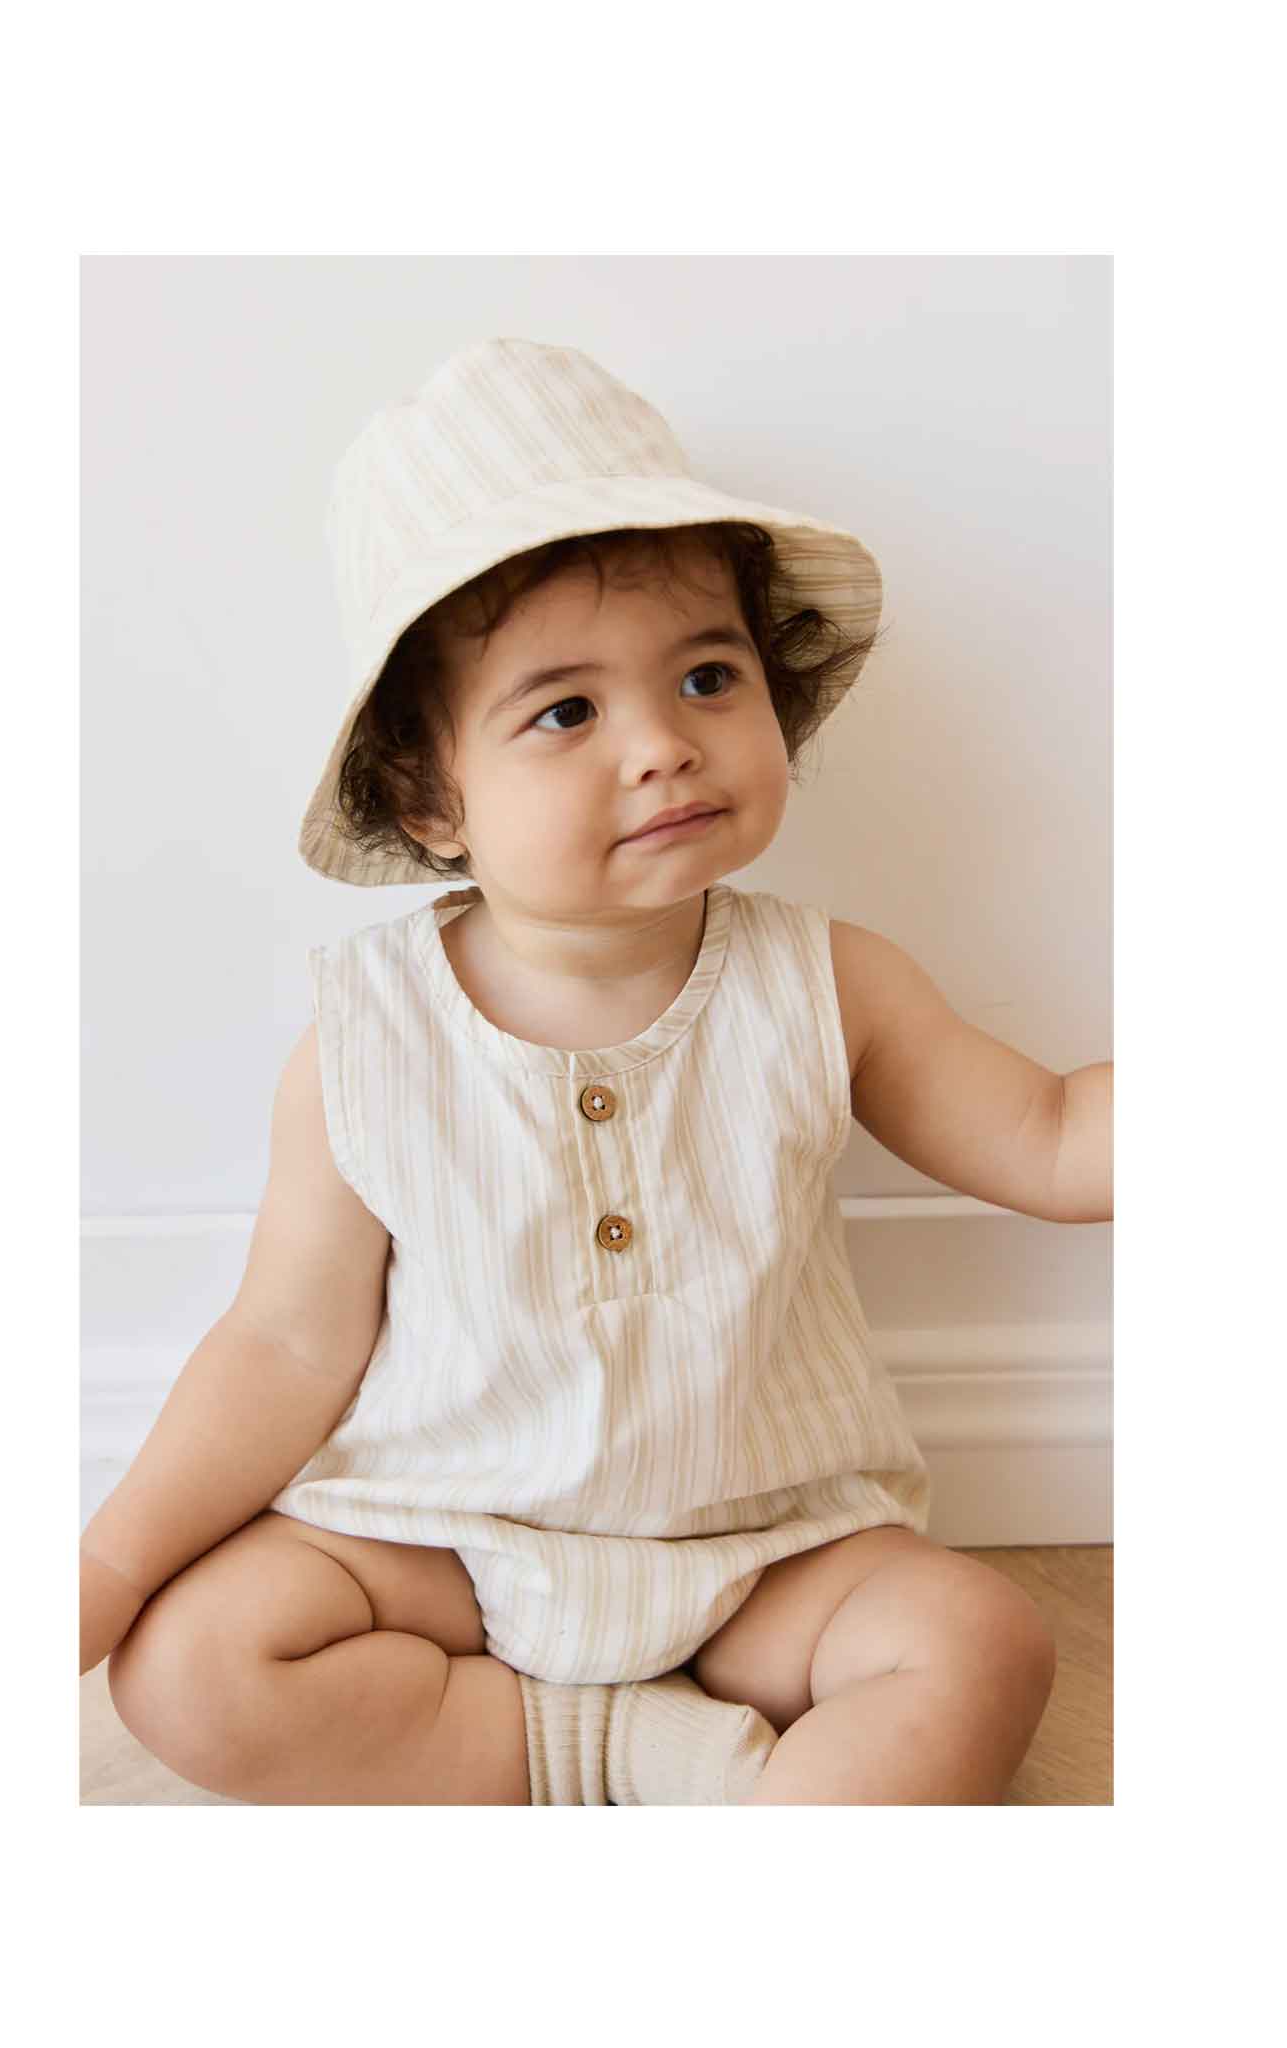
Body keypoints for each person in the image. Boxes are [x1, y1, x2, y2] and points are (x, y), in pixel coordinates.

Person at [80, 337, 1111, 1805]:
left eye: (707, 676)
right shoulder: (367, 1040)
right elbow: (284, 1347)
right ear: (429, 797)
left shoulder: (829, 982)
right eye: (566, 711)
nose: (663, 746)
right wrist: (112, 1566)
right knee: (192, 1665)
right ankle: (612, 1747)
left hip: (770, 1552)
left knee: (978, 1641)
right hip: (448, 1545)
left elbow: (1054, 1137)